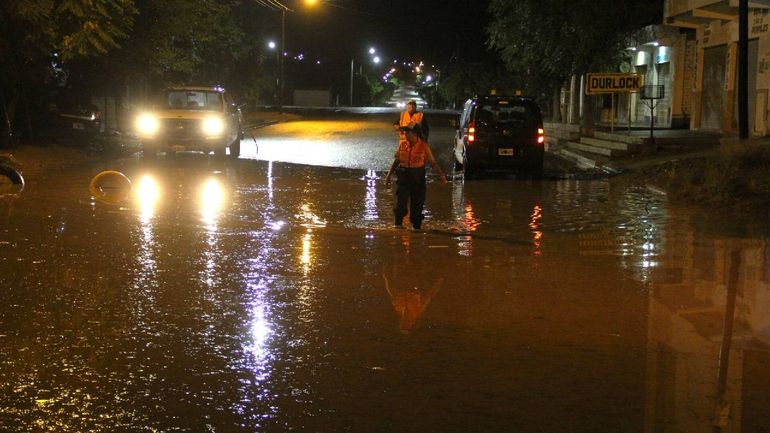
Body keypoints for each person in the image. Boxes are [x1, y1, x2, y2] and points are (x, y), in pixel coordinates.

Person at [384, 122, 447, 230]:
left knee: (417, 206)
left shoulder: (424, 146)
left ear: (414, 134)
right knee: (400, 204)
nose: (404, 134)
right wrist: (388, 176)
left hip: (418, 179)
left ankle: (416, 231)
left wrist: (441, 176)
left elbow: (433, 163)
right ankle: (397, 227)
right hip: (404, 178)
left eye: (407, 132)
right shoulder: (403, 145)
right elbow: (397, 161)